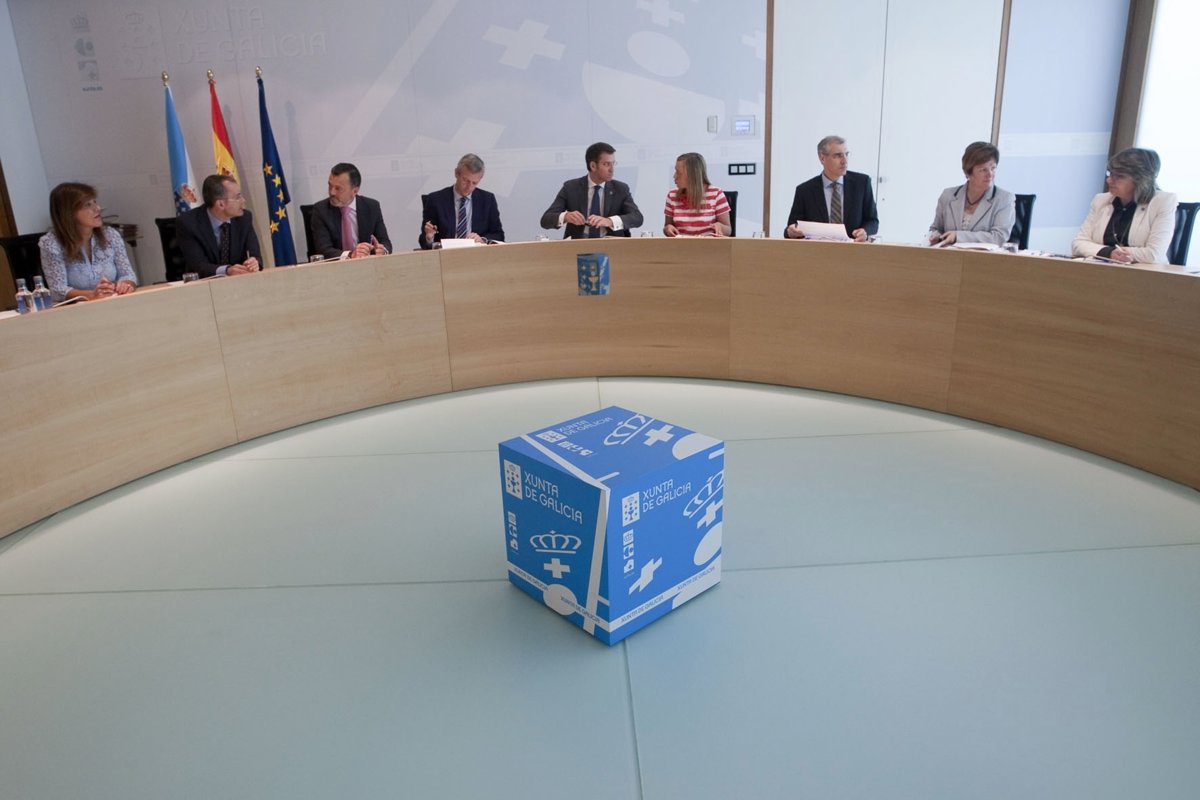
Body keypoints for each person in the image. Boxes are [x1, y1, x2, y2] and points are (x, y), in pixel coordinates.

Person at [1071, 147, 1178, 265]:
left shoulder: (1163, 202)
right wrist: (1109, 253)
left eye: (1119, 176)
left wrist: (1117, 253)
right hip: (1102, 270)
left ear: (1141, 180)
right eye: (1110, 173)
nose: (1109, 180)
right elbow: (1078, 243)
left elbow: (1154, 254)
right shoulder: (1100, 200)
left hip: (1145, 273)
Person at [38, 182, 137, 302]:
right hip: (77, 309)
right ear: (69, 213)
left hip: (113, 302)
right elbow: (58, 290)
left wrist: (126, 285)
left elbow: (128, 274)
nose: (98, 208)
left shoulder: (110, 235)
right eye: (88, 205)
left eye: (95, 202)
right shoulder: (51, 243)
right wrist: (91, 295)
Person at [783, 135, 879, 241]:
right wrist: (791, 231)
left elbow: (873, 221)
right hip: (818, 249)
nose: (845, 161)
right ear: (822, 158)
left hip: (853, 248)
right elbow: (791, 227)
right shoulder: (805, 191)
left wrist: (865, 231)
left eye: (846, 154)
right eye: (838, 156)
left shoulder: (862, 183)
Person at [540, 142, 643, 238]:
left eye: (613, 163)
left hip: (612, 245)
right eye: (606, 164)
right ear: (593, 166)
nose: (612, 169)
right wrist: (566, 216)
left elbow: (637, 217)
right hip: (579, 246)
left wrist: (609, 221)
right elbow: (545, 220)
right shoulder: (571, 187)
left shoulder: (621, 189)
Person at [927, 141, 1015, 247]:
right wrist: (935, 235)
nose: (990, 174)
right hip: (949, 255)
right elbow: (936, 228)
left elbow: (998, 237)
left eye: (993, 168)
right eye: (983, 170)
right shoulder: (948, 195)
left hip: (982, 257)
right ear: (968, 172)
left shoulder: (1005, 199)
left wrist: (958, 236)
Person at [176, 174, 262, 278]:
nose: (243, 200)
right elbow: (198, 265)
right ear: (221, 204)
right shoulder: (189, 223)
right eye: (238, 197)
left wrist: (254, 262)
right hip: (204, 284)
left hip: (239, 282)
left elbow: (255, 255)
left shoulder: (244, 219)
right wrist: (227, 270)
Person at [419, 154, 505, 248]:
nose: (469, 187)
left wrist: (482, 240)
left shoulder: (487, 200)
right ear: (456, 173)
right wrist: (429, 238)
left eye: (474, 183)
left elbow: (499, 235)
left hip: (477, 253)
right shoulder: (435, 200)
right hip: (447, 254)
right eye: (465, 180)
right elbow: (423, 240)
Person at [310, 162, 392, 259]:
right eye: (330, 186)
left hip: (367, 264)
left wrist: (382, 250)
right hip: (335, 266)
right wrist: (350, 255)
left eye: (338, 188)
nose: (332, 192)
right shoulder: (321, 210)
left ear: (355, 191)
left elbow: (385, 242)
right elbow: (323, 250)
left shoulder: (371, 207)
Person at [663, 152, 732, 237]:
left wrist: (721, 227)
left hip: (708, 244)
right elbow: (667, 226)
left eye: (679, 173)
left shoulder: (716, 194)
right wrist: (667, 229)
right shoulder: (672, 195)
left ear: (692, 175)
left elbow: (728, 230)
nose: (674, 176)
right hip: (681, 244)